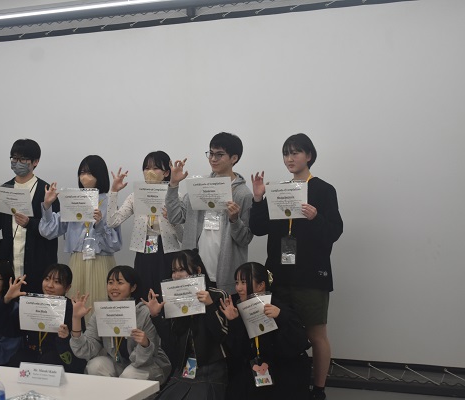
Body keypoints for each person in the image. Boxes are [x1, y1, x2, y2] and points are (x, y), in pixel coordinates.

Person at [249, 133, 343, 400]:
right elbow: (258, 228)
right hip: (278, 275)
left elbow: (335, 231)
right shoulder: (279, 190)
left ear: (309, 156)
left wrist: (316, 217)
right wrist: (258, 199)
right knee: (276, 330)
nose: (289, 159)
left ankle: (319, 390)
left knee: (316, 335)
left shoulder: (324, 190)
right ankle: (282, 385)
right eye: (286, 153)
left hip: (310, 276)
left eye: (295, 152)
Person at [165, 132, 253, 294]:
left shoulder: (243, 194)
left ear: (234, 158)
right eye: (211, 153)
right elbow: (175, 217)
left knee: (222, 310)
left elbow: (245, 239)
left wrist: (234, 220)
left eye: (219, 155)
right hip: (194, 270)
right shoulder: (200, 186)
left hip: (225, 273)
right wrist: (173, 184)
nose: (213, 159)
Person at [143, 249, 228, 400]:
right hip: (185, 368)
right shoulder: (173, 298)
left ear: (198, 270)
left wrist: (209, 307)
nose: (176, 275)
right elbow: (170, 340)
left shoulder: (216, 295)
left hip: (211, 369)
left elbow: (222, 335)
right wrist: (156, 316)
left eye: (181, 270)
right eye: (174, 271)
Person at [0, 139, 59, 294]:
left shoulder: (46, 191)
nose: (17, 163)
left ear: (35, 162)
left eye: (23, 159)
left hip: (39, 263)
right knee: (10, 305)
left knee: (35, 305)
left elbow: (54, 229)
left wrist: (30, 223)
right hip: (10, 264)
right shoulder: (5, 189)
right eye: (14, 158)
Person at [39, 155, 122, 310]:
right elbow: (48, 231)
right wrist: (47, 206)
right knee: (75, 306)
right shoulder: (73, 200)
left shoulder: (109, 202)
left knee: (99, 306)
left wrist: (99, 225)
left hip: (101, 260)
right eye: (82, 172)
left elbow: (115, 243)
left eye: (89, 172)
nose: (84, 177)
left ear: (99, 175)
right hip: (77, 260)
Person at [219, 262, 311, 400]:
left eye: (244, 282)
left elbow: (299, 344)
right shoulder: (237, 307)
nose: (238, 288)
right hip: (254, 370)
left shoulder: (278, 307)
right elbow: (238, 353)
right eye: (237, 282)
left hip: (282, 370)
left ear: (261, 285)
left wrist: (281, 317)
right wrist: (234, 321)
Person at [69, 266, 171, 385]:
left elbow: (148, 356)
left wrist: (145, 344)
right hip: (120, 364)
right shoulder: (102, 312)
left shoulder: (144, 313)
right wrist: (76, 319)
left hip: (149, 364)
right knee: (95, 365)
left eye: (120, 283)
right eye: (110, 282)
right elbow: (86, 351)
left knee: (129, 374)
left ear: (133, 287)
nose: (114, 287)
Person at [107, 151, 183, 300]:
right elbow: (112, 222)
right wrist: (114, 191)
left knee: (167, 295)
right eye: (147, 168)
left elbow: (183, 237)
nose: (150, 172)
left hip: (168, 251)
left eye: (155, 168)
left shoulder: (176, 197)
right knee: (144, 292)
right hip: (145, 248)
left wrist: (173, 219)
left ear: (166, 172)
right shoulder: (135, 196)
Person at [0, 263, 87, 373]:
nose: (49, 285)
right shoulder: (32, 302)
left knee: (49, 360)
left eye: (57, 282)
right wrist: (6, 300)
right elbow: (1, 328)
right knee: (17, 359)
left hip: (60, 357)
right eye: (47, 279)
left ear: (67, 288)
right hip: (33, 354)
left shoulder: (72, 308)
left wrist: (66, 338)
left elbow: (80, 349)